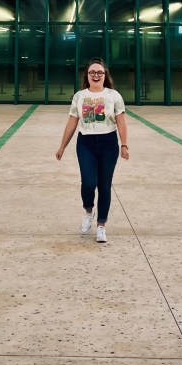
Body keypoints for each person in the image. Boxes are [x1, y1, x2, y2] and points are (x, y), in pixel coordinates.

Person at [55, 58, 129, 244]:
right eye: (92, 72)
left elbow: (121, 121)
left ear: (105, 75)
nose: (96, 75)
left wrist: (124, 145)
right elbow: (72, 121)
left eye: (99, 72)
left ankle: (101, 226)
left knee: (104, 185)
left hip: (108, 143)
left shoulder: (114, 95)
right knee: (88, 183)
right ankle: (88, 210)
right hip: (85, 143)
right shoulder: (79, 96)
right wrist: (62, 146)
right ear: (87, 76)